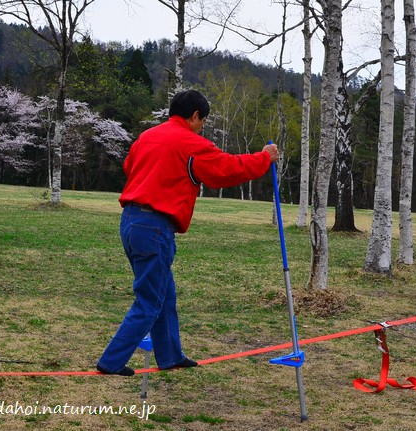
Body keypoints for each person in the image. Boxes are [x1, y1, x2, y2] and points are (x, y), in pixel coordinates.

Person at [96, 89, 279, 376]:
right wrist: (263, 158)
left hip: (130, 221)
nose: (202, 126)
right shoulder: (192, 143)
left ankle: (169, 355)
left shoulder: (146, 137)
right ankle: (111, 362)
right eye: (202, 121)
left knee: (164, 294)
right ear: (195, 116)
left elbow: (129, 166)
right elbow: (227, 170)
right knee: (150, 300)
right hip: (155, 227)